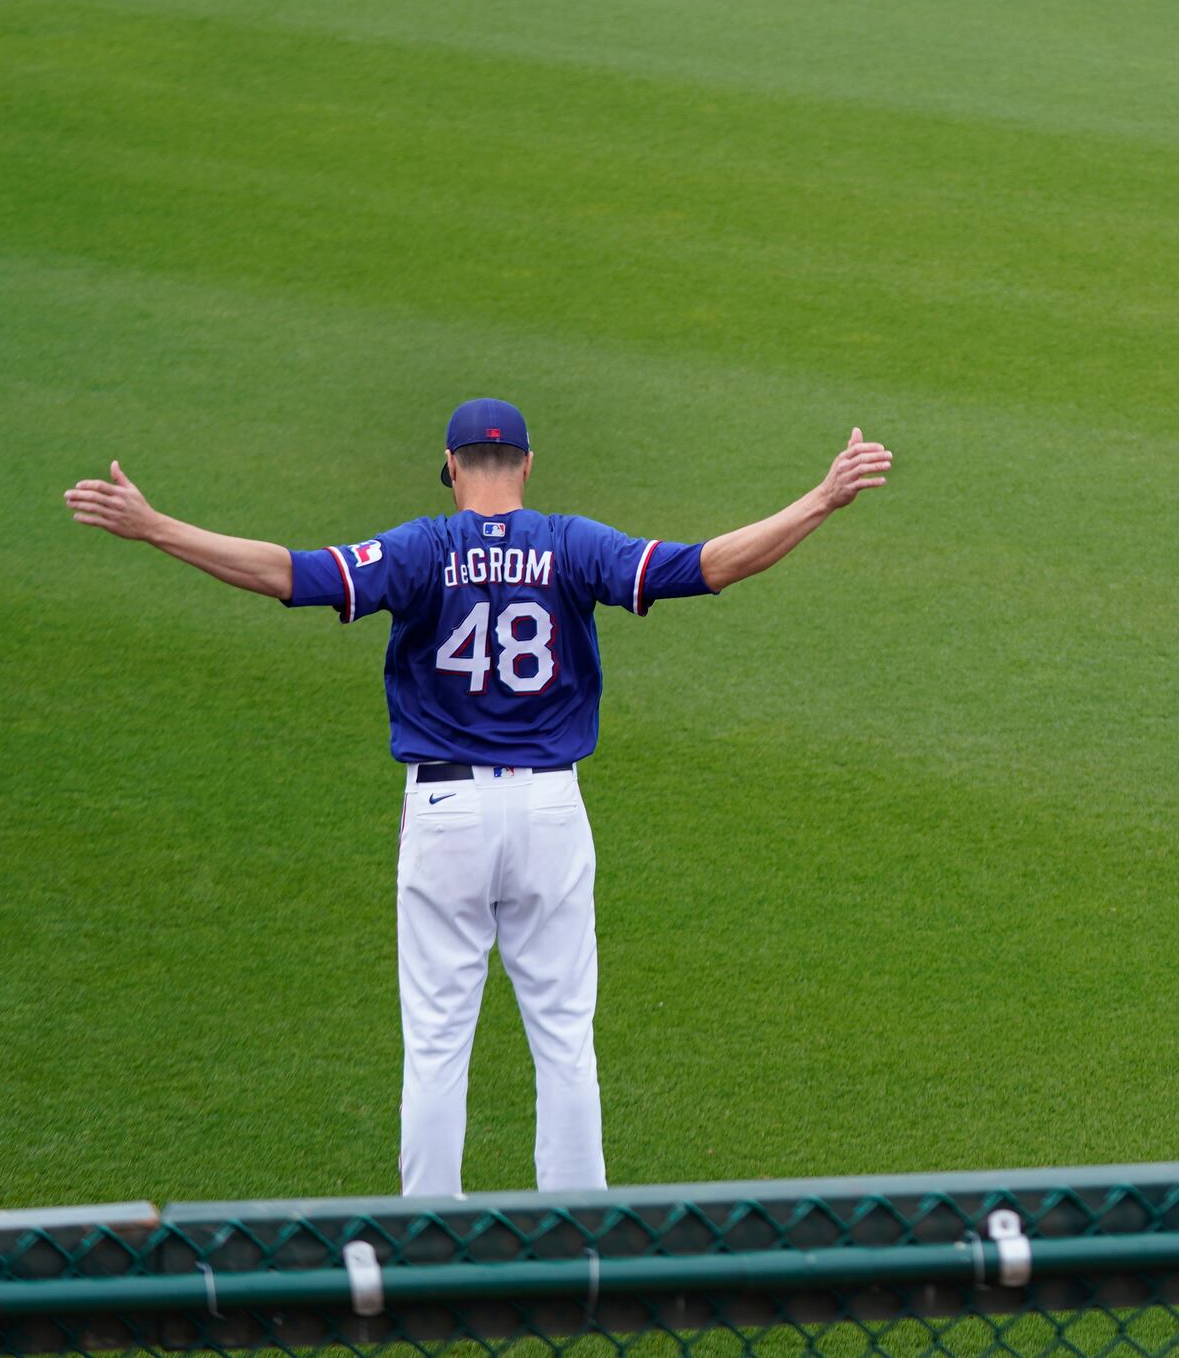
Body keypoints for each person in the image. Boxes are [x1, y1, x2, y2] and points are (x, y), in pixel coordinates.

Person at [62, 398, 894, 1195]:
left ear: (452, 469)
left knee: (435, 1044)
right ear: (527, 465)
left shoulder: (420, 548)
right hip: (550, 814)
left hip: (445, 814)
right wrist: (822, 497)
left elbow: (292, 575)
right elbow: (710, 565)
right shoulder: (572, 544)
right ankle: (578, 1236)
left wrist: (154, 526)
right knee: (565, 1041)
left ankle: (428, 1234)